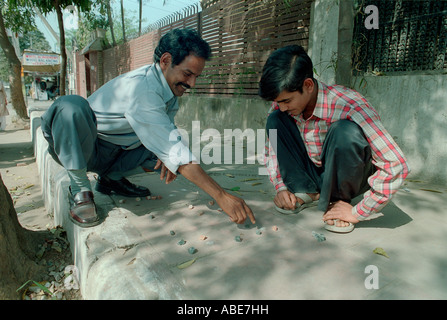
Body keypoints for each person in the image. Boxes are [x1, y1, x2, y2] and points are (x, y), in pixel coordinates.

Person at [41, 29, 255, 228]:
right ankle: (80, 189)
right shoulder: (143, 89)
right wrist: (221, 195)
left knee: (170, 154)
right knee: (71, 106)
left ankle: (111, 180)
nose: (192, 83)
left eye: (196, 76)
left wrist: (167, 154)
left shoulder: (170, 93)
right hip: (84, 148)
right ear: (166, 61)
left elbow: (169, 139)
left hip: (116, 153)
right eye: (188, 74)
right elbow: (175, 152)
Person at [258, 45, 410, 233]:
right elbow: (271, 151)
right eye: (278, 101)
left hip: (348, 176)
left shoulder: (350, 104)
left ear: (308, 85)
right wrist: (281, 187)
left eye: (287, 101)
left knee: (345, 131)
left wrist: (359, 211)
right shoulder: (281, 106)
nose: (281, 106)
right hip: (313, 170)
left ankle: (340, 202)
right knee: (275, 120)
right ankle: (309, 192)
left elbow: (397, 164)